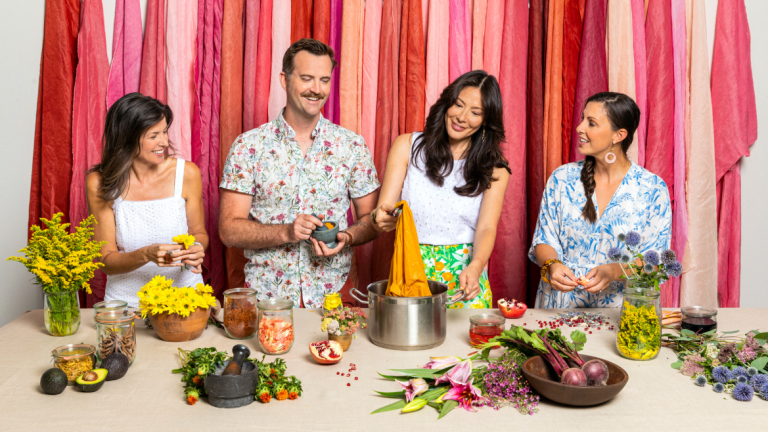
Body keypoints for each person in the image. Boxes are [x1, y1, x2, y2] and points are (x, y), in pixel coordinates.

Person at [219, 38, 380, 309]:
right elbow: (228, 229)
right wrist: (287, 231)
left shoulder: (351, 145)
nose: (316, 89)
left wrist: (347, 237)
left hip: (336, 293)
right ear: (285, 80)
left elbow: (373, 220)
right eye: (307, 78)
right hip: (267, 297)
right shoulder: (249, 146)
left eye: (324, 80)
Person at [371, 70, 511, 308]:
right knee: (410, 341)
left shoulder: (495, 168)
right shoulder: (407, 145)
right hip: (411, 265)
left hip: (466, 275)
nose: (462, 117)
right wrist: (380, 218)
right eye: (458, 105)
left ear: (486, 120)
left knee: (466, 344)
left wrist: (476, 266)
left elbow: (487, 227)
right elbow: (381, 212)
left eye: (475, 112)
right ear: (447, 103)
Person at [530, 92, 672, 308]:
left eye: (591, 123)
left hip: (622, 313)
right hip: (559, 307)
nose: (579, 127)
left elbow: (656, 260)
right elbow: (544, 238)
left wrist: (614, 271)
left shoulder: (652, 188)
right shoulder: (562, 179)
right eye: (582, 118)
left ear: (619, 135)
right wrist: (552, 264)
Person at [87, 93, 207, 307]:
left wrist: (197, 247)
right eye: (153, 136)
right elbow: (105, 261)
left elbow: (199, 234)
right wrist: (146, 255)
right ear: (127, 138)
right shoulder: (100, 182)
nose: (164, 142)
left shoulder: (187, 173)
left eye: (164, 132)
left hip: (184, 302)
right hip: (126, 306)